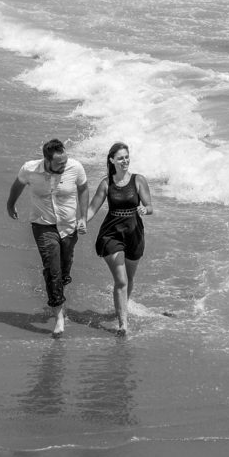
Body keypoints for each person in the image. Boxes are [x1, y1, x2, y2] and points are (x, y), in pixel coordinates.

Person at [6, 139, 89, 337]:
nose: (64, 165)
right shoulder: (30, 169)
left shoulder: (75, 167)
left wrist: (83, 217)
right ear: (47, 160)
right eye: (59, 163)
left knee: (64, 269)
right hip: (43, 226)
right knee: (52, 268)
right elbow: (17, 185)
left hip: (69, 227)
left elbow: (83, 188)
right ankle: (59, 316)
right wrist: (10, 205)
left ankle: (58, 292)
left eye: (65, 161)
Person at [85, 142, 154, 335]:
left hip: (134, 233)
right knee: (121, 280)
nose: (125, 161)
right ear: (112, 160)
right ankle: (123, 324)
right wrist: (81, 223)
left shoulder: (139, 180)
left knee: (129, 279)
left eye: (127, 157)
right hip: (111, 234)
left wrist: (144, 209)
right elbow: (92, 209)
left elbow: (150, 207)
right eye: (121, 158)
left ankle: (122, 306)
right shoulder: (107, 184)